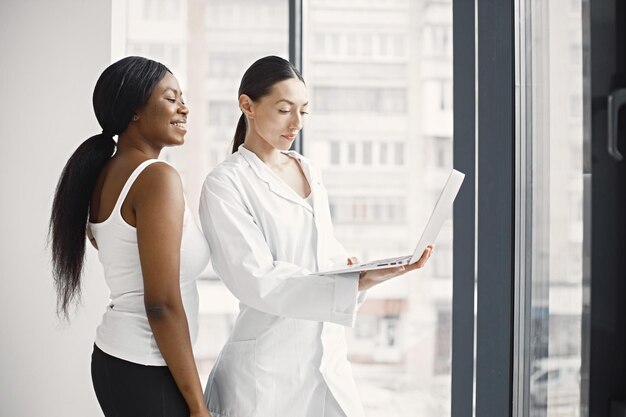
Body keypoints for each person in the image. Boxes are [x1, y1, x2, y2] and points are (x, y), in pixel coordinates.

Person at [198, 55, 433, 417]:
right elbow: (256, 280)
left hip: (326, 360)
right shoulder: (225, 183)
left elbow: (324, 256)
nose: (296, 124)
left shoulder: (307, 168)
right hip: (266, 373)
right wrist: (352, 284)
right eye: (284, 110)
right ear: (247, 105)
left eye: (304, 112)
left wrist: (361, 272)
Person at [49, 56, 211, 417]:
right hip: (146, 368)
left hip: (118, 360)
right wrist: (199, 407)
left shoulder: (105, 172)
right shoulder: (156, 178)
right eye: (171, 98)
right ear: (135, 109)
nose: (185, 108)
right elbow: (161, 304)